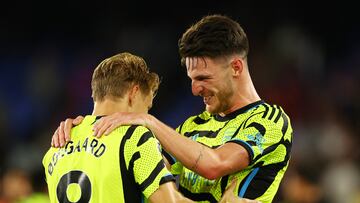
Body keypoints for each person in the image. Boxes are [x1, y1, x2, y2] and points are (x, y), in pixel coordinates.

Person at [53, 14, 293, 203]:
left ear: (237, 68)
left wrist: (149, 121)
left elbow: (214, 165)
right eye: (191, 79)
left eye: (203, 78)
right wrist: (84, 131)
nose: (195, 89)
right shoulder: (191, 127)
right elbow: (137, 168)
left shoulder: (270, 120)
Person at [43, 52, 195, 203]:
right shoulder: (135, 138)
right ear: (133, 93)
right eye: (146, 107)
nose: (144, 115)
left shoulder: (56, 146)